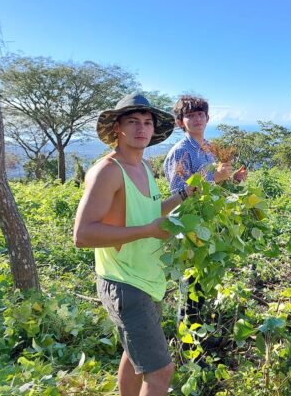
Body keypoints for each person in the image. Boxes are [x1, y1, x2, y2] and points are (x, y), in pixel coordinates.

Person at [73, 92, 195, 396]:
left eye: (147, 122)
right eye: (133, 121)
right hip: (124, 282)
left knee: (134, 355)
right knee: (161, 371)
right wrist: (147, 231)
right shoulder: (108, 171)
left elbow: (151, 212)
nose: (141, 128)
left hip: (147, 279)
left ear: (154, 130)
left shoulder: (142, 168)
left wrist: (184, 195)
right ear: (118, 127)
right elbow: (83, 234)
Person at [163, 95, 247, 319]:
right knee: (191, 281)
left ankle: (200, 332)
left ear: (208, 118)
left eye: (200, 114)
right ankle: (189, 343)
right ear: (181, 122)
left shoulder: (209, 148)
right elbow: (178, 193)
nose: (197, 118)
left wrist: (233, 179)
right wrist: (215, 178)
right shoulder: (180, 151)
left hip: (208, 220)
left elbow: (216, 184)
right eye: (190, 115)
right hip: (189, 224)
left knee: (204, 277)